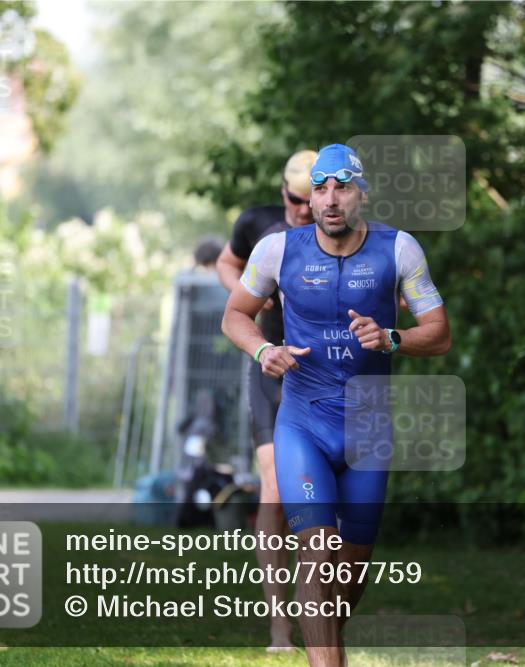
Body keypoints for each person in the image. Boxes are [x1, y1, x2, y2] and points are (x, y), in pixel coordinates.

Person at [222, 143, 451, 667]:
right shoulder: (277, 250)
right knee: (317, 553)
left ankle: (323, 647)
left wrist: (393, 339)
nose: (329, 200)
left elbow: (438, 334)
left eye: (341, 187)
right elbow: (235, 315)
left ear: (360, 193)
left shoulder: (400, 250)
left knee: (345, 582)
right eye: (320, 188)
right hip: (303, 421)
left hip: (368, 431)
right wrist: (264, 348)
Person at [215, 149, 317, 652]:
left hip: (324, 379)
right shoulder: (259, 226)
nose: (303, 210)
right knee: (274, 488)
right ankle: (280, 627)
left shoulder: (346, 236)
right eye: (295, 200)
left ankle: (318, 612)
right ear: (284, 194)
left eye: (311, 199)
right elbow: (226, 262)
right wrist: (249, 295)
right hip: (271, 370)